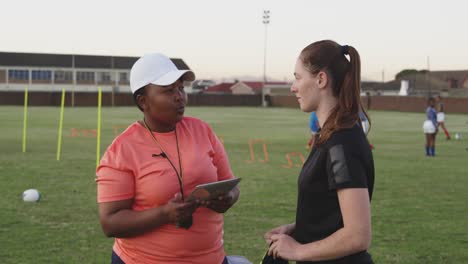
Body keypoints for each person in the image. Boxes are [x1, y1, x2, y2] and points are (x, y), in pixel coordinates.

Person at [96, 53, 240, 264]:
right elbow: (110, 223)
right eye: (168, 90)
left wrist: (228, 198)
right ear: (143, 101)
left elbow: (232, 185)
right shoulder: (122, 150)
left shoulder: (202, 131)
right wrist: (164, 214)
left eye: (181, 88)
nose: (179, 96)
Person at [264, 40, 374, 263]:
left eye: (297, 77)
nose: (293, 87)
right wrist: (298, 230)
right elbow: (332, 215)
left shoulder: (342, 142)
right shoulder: (328, 136)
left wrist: (297, 251)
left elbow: (358, 235)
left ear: (321, 79)